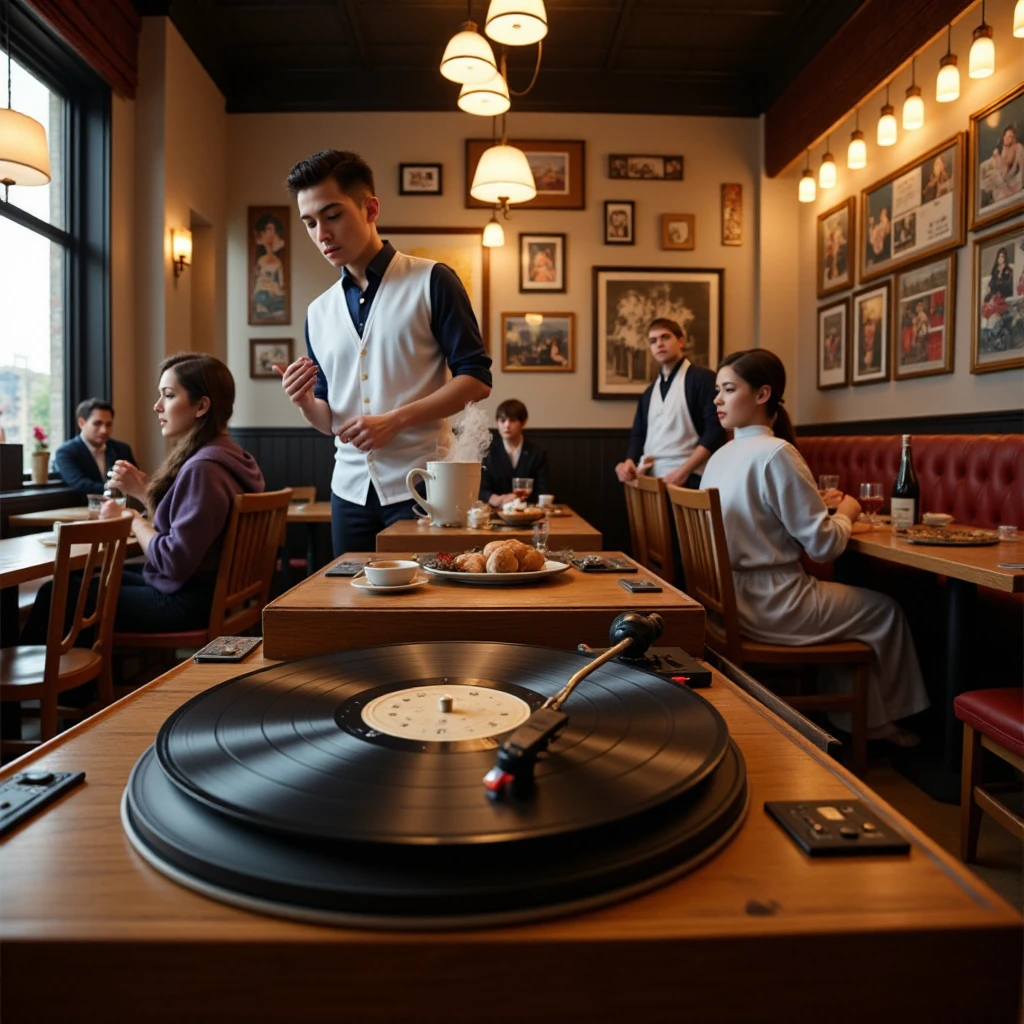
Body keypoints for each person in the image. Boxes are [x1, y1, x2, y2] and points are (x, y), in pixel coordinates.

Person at [700, 349, 929, 745]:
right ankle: (883, 723)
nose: (717, 399)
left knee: (851, 607)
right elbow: (823, 547)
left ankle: (856, 716)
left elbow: (762, 517)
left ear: (762, 394)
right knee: (886, 612)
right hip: (776, 606)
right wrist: (849, 512)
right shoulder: (776, 453)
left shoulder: (720, 457)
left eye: (727, 389)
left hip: (728, 604)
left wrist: (816, 506)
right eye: (719, 390)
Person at [274, 150, 492, 556]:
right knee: (352, 611)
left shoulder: (433, 281)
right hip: (348, 494)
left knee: (423, 614)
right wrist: (305, 403)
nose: (321, 233)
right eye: (310, 223)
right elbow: (331, 422)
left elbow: (477, 380)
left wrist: (396, 420)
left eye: (332, 215)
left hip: (425, 489)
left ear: (370, 208)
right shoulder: (317, 312)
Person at [23, 354, 264, 641]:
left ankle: (40, 686)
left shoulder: (204, 468)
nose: (157, 406)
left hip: (186, 601)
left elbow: (172, 560)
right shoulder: (233, 457)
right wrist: (142, 492)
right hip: (207, 591)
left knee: (57, 594)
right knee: (75, 582)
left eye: (169, 395)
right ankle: (80, 685)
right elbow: (187, 532)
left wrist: (132, 518)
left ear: (202, 406)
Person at [614, 318, 725, 490]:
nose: (659, 344)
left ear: (681, 341)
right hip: (651, 479)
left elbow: (715, 432)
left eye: (665, 337)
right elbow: (638, 435)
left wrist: (684, 471)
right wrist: (629, 461)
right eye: (653, 341)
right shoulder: (649, 392)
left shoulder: (703, 380)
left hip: (691, 477)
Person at [52, 399, 137, 496]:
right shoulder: (66, 452)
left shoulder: (122, 449)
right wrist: (116, 488)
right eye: (97, 423)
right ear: (81, 423)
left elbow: (134, 480)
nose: (104, 431)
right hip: (84, 508)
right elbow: (80, 484)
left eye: (108, 425)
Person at [480, 399, 550, 508]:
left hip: (528, 513)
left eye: (512, 420)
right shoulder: (488, 452)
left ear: (523, 422)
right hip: (494, 511)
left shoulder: (537, 453)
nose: (507, 425)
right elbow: (480, 488)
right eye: (502, 420)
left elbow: (543, 491)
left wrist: (516, 498)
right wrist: (493, 498)